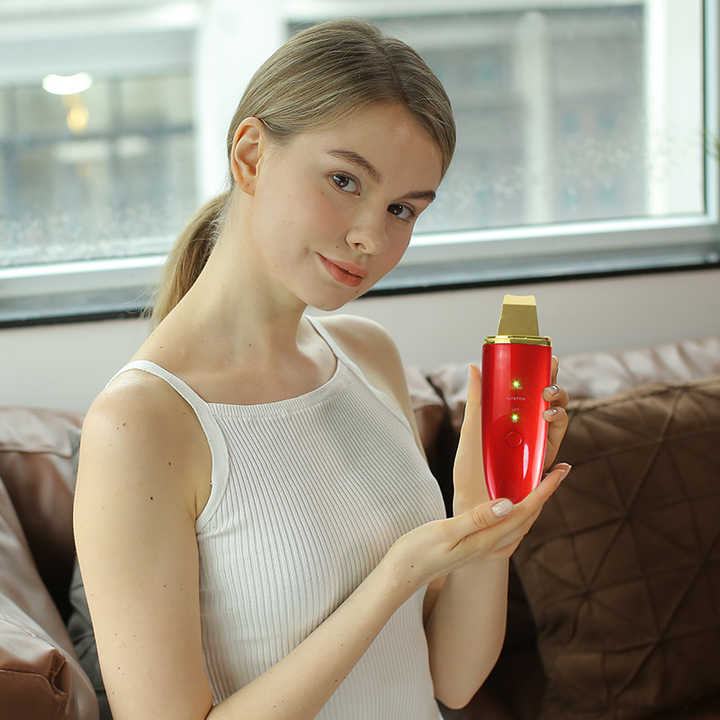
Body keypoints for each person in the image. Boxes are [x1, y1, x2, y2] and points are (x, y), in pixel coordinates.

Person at [73, 17, 570, 720]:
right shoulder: (141, 424)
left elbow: (451, 679)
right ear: (251, 155)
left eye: (402, 209)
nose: (371, 235)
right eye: (344, 180)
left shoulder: (368, 356)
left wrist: (483, 515)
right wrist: (395, 577)